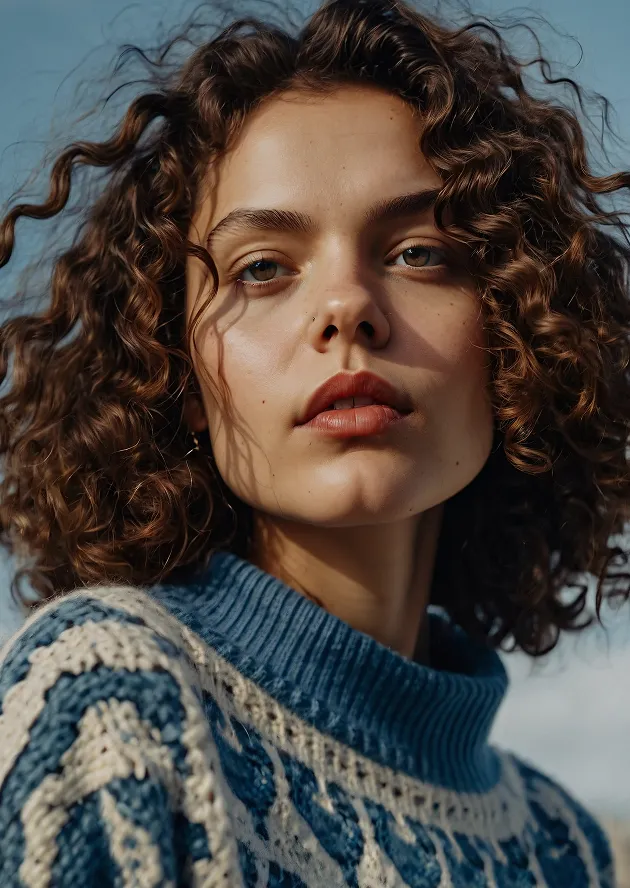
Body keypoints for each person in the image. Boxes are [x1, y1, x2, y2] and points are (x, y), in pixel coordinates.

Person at [0, 0, 628, 883]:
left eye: (419, 252)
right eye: (261, 268)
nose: (347, 307)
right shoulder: (111, 701)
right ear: (177, 371)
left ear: (522, 336)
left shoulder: (566, 847)